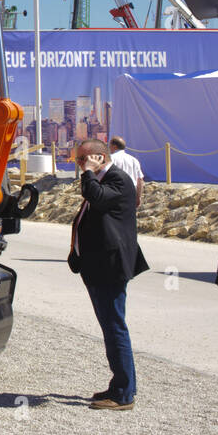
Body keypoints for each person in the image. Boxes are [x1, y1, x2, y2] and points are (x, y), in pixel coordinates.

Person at [70, 138, 149, 410]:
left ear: (100, 158)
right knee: (110, 327)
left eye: (84, 159)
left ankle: (124, 394)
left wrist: (89, 174)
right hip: (98, 266)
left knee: (115, 328)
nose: (80, 165)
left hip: (110, 267)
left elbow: (97, 199)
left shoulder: (117, 179)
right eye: (79, 160)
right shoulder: (104, 179)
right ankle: (119, 385)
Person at [108, 136, 145, 208]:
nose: (109, 148)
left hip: (116, 191)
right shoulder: (134, 160)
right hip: (131, 191)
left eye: (110, 145)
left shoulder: (111, 159)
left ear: (114, 146)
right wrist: (138, 196)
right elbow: (140, 180)